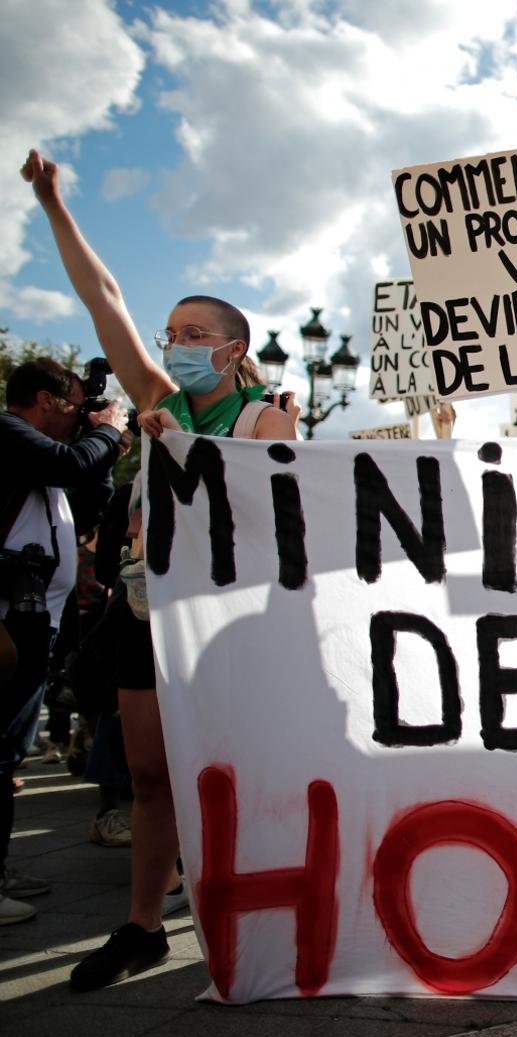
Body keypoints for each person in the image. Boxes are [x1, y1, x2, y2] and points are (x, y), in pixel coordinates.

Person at [22, 148, 299, 988]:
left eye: (194, 336)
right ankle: (143, 922)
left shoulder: (263, 422)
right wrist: (53, 203)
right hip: (150, 613)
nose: (174, 346)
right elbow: (100, 296)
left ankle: (256, 911)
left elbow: (278, 526)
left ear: (233, 350)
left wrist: (181, 450)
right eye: (170, 334)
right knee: (148, 773)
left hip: (230, 621)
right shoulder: (156, 398)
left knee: (232, 769)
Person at [0, 357, 126, 926]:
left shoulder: (44, 465)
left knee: (7, 753)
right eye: (74, 404)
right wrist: (106, 430)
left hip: (33, 621)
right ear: (47, 399)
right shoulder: (8, 433)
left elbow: (91, 496)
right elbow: (72, 461)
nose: (81, 415)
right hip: (6, 620)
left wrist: (104, 450)